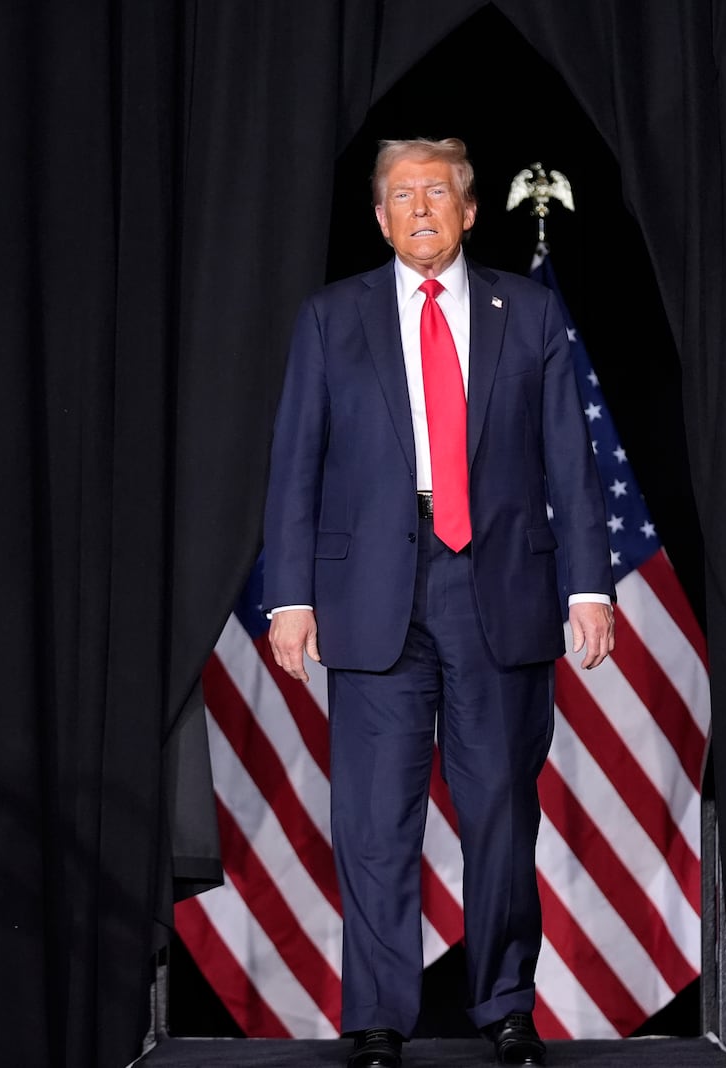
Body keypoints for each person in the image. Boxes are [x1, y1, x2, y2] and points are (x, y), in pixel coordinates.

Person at [262, 137, 615, 1068]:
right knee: (375, 822)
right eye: (401, 195)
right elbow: (296, 467)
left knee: (500, 808)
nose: (420, 208)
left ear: (469, 210)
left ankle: (504, 1006)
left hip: (496, 586)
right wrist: (287, 597)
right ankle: (379, 1017)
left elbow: (568, 465)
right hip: (370, 590)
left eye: (437, 193)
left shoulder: (528, 312)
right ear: (379, 218)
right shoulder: (332, 318)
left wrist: (588, 585)